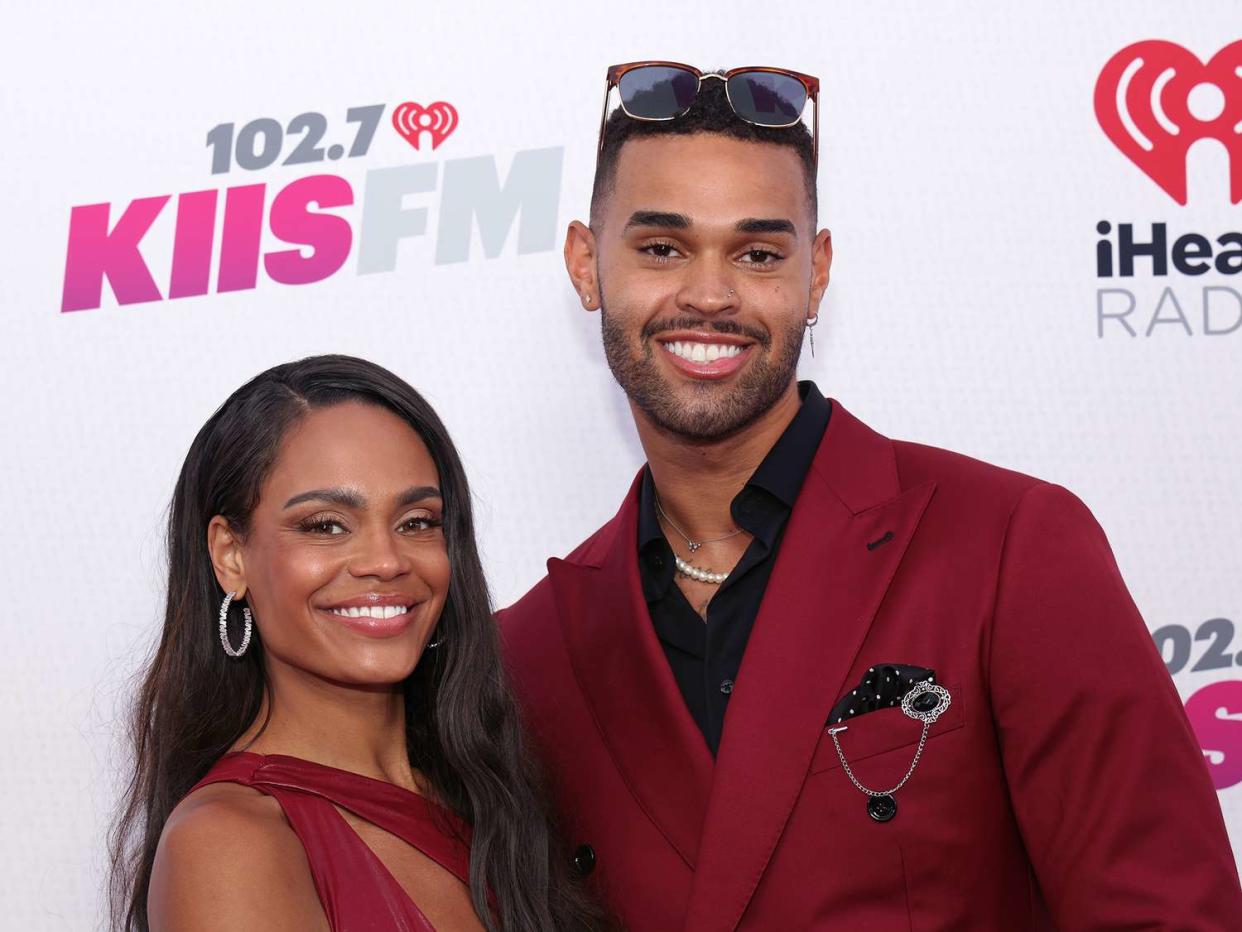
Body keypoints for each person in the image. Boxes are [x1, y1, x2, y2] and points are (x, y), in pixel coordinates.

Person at [497, 62, 1242, 929]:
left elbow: (1164, 911)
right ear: (587, 267)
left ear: (815, 276)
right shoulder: (531, 652)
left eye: (759, 253)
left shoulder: (1008, 545)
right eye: (662, 248)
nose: (709, 294)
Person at [110, 355, 606, 931]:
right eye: (325, 525)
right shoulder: (229, 843)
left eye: (417, 521)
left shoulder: (488, 790)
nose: (386, 561)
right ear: (231, 555)